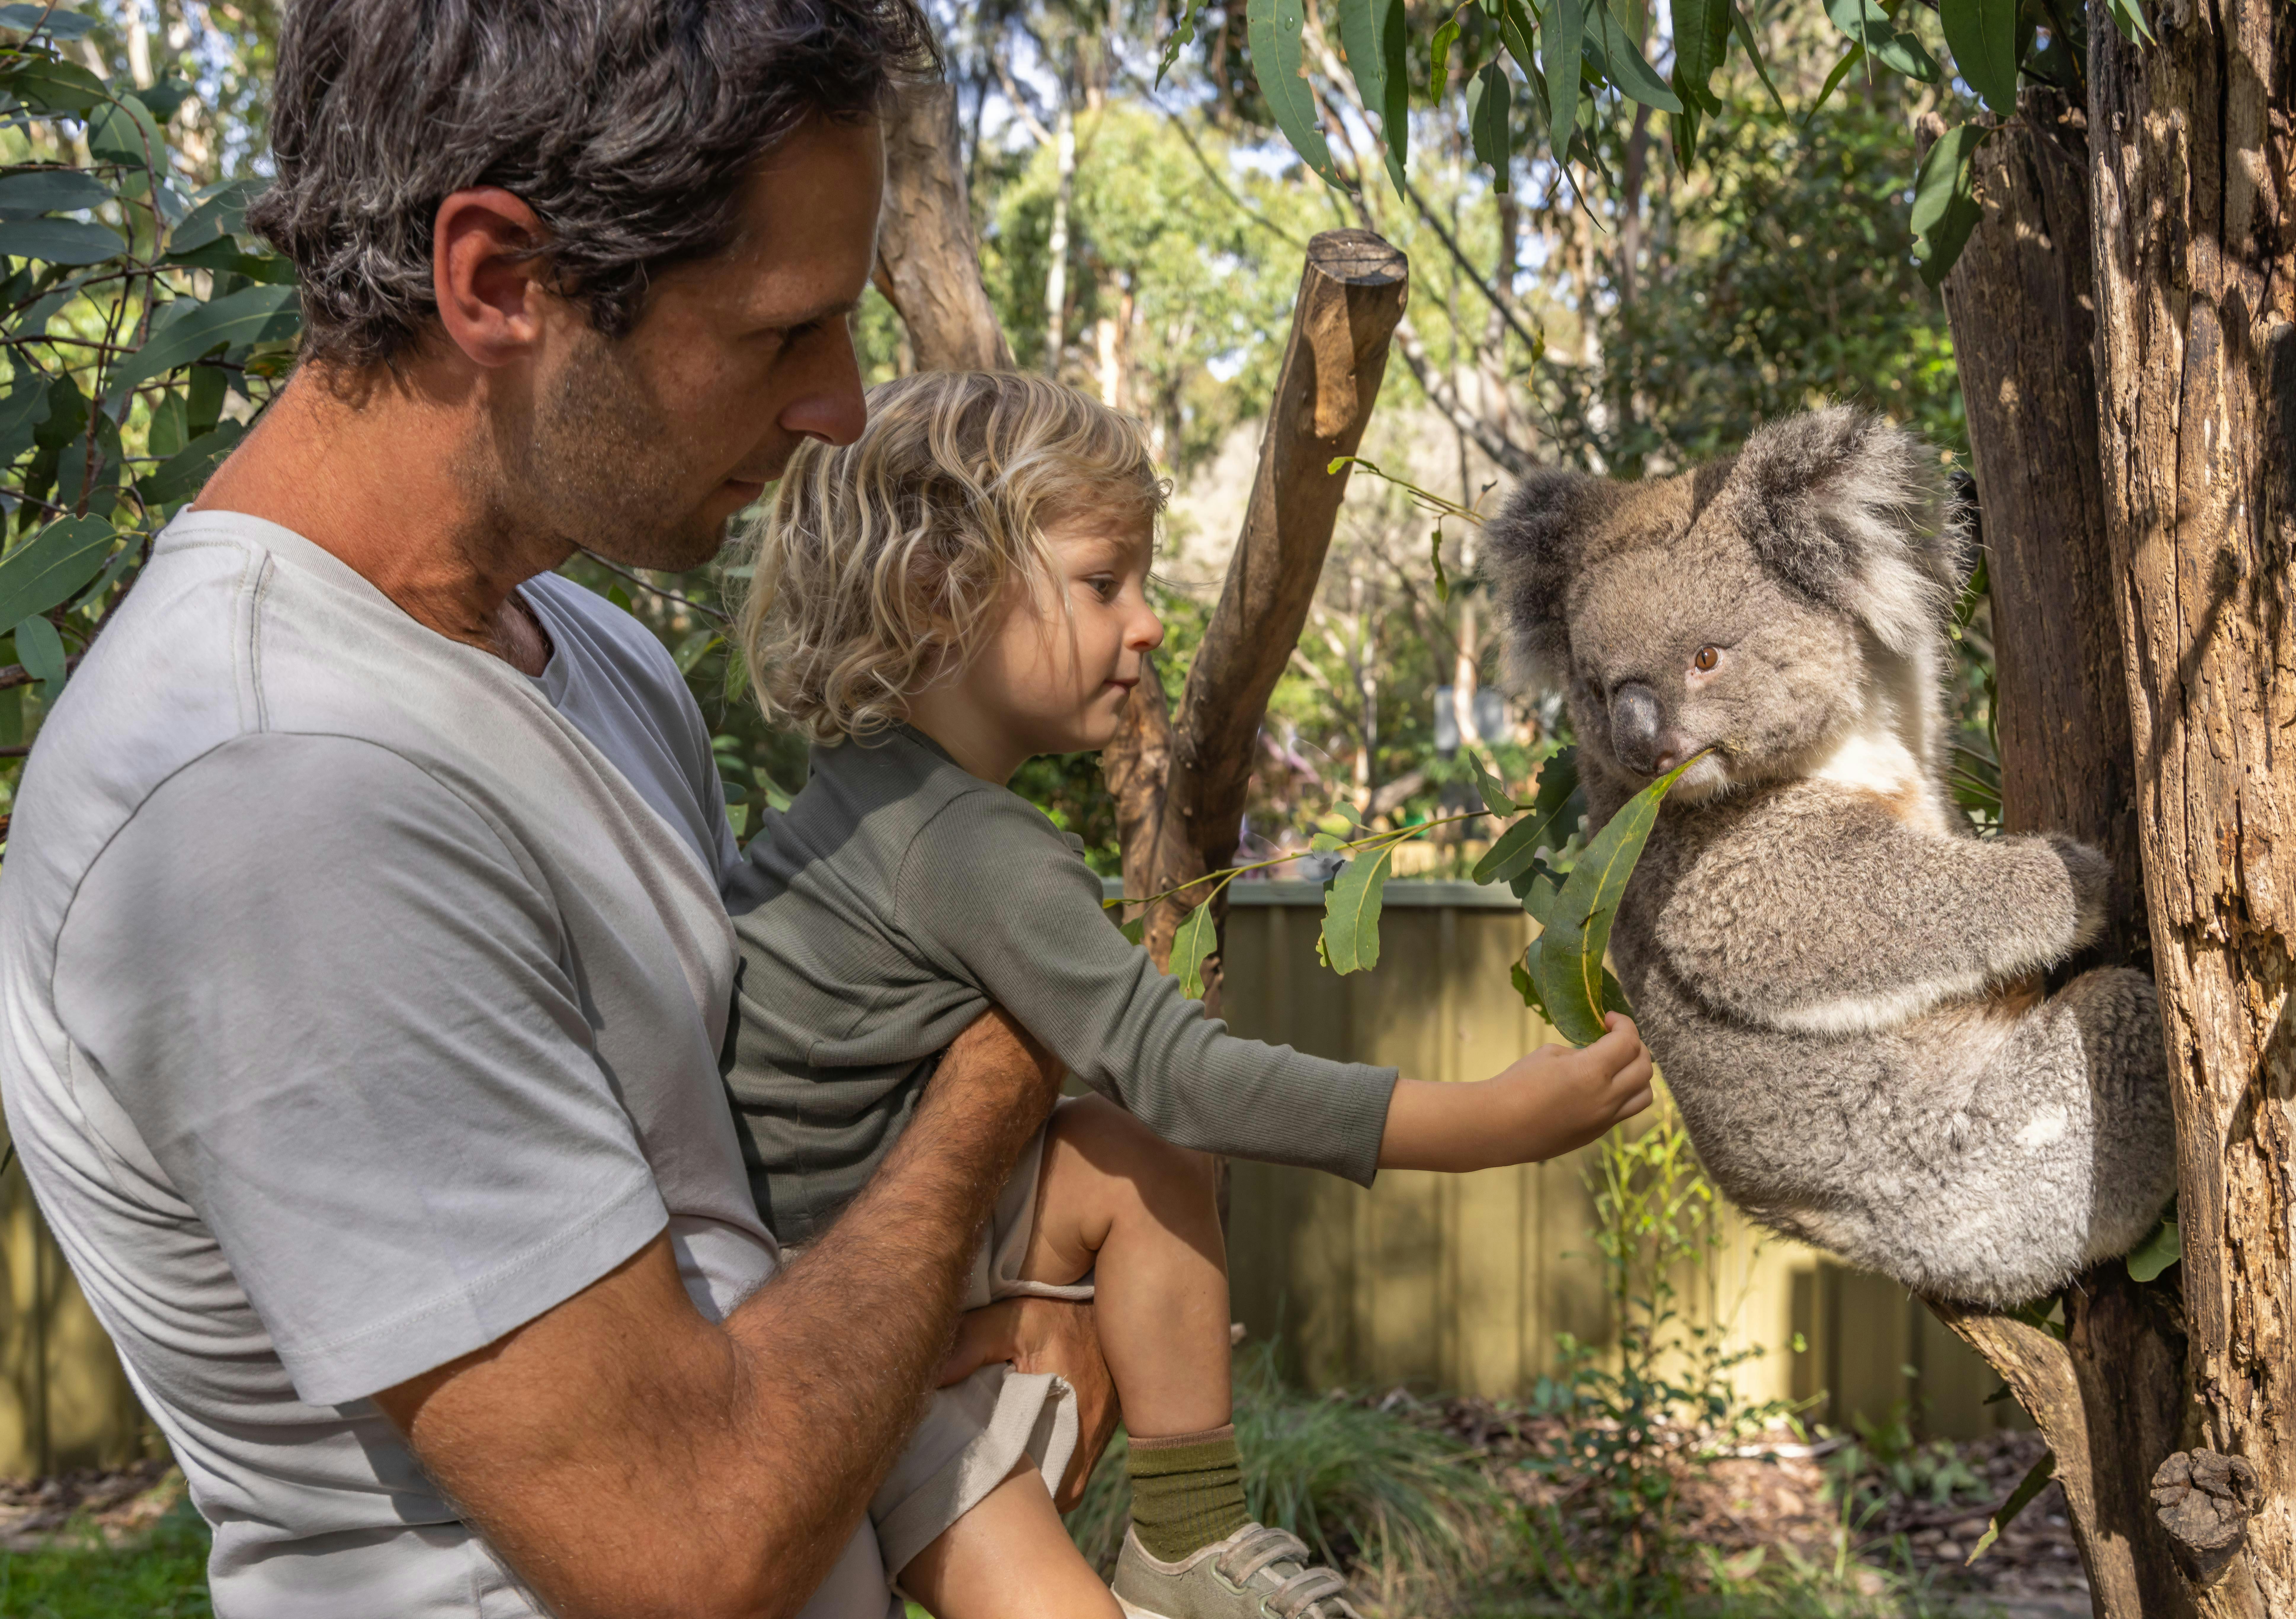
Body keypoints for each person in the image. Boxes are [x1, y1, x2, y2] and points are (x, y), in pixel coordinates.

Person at [0, 6, 1113, 1617]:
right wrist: (1008, 1060)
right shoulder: (273, 786)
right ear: (499, 284)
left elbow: (727, 1217)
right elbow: (684, 1547)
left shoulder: (581, 651)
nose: (843, 406)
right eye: (781, 333)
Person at [725, 372, 1657, 1618]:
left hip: (853, 1263)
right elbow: (1187, 1070)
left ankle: (1186, 1532)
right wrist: (1485, 1124)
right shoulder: (965, 846)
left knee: (1129, 1159)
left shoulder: (866, 795)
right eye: (1103, 582)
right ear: (937, 592)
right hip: (840, 1334)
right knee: (1156, 1130)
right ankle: (1175, 1541)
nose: (1149, 623)